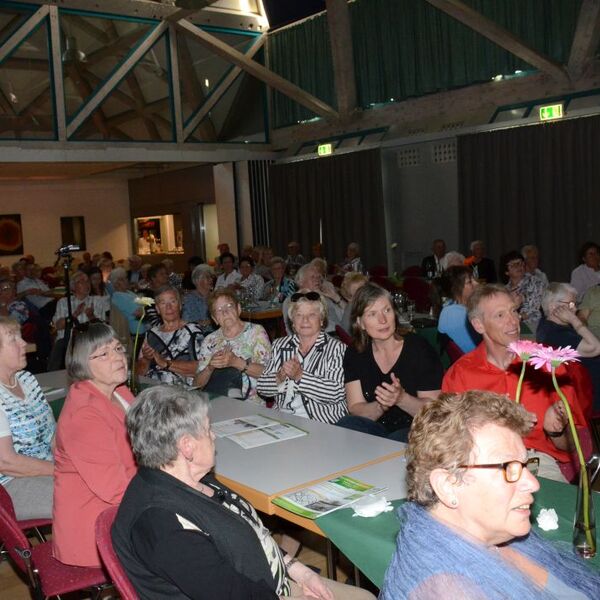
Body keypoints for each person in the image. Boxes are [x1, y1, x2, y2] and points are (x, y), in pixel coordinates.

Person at [112, 386, 375, 600]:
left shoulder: (190, 479)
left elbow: (252, 533)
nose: (214, 436)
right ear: (187, 447)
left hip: (273, 581)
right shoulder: (163, 525)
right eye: (207, 430)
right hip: (264, 594)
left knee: (364, 597)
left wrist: (299, 570)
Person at [380, 390, 600, 600]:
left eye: (525, 465)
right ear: (448, 485)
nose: (533, 483)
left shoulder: (494, 536)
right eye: (508, 467)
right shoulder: (448, 590)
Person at [442, 285, 587, 482]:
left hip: (536, 463)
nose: (513, 321)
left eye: (513, 310)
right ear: (478, 325)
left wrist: (556, 430)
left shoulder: (548, 365)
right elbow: (449, 440)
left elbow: (574, 445)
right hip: (482, 463)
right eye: (500, 315)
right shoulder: (460, 374)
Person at [52, 323, 136, 568]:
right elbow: (115, 490)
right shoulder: (84, 414)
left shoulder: (119, 391)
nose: (118, 357)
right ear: (83, 364)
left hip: (125, 505)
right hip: (97, 528)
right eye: (104, 353)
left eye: (118, 348)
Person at [338, 283, 443, 442]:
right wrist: (381, 406)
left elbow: (434, 412)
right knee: (346, 424)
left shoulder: (419, 349)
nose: (383, 320)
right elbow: (355, 407)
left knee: (396, 438)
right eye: (372, 314)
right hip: (377, 428)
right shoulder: (355, 353)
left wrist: (401, 399)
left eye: (387, 310)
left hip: (416, 428)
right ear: (360, 323)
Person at [257, 291, 347, 424]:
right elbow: (262, 387)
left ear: (321, 320)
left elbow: (336, 392)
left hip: (322, 422)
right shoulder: (280, 345)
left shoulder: (337, 348)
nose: (305, 320)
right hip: (283, 419)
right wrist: (278, 378)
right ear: (293, 322)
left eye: (312, 315)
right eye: (299, 315)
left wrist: (300, 376)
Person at [0, 317, 54, 520]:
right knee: (80, 497)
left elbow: (52, 434)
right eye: (13, 338)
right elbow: (6, 462)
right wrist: (62, 470)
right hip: (10, 484)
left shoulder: (27, 379)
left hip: (46, 469)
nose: (24, 343)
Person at [194, 290, 271, 404]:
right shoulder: (210, 341)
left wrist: (236, 362)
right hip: (217, 403)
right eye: (219, 310)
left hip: (251, 403)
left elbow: (269, 375)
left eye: (229, 306)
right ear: (214, 318)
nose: (225, 312)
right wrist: (210, 368)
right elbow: (196, 385)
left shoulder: (256, 332)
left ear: (238, 309)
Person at [537, 282, 600, 411]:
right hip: (591, 392)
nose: (575, 309)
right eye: (570, 304)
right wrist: (574, 319)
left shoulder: (546, 325)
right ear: (553, 306)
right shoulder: (557, 334)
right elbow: (596, 348)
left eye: (575, 304)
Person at [137, 286, 204, 387]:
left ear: (180, 305)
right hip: (151, 389)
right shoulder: (151, 334)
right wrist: (146, 359)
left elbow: (201, 368)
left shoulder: (192, 331)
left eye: (173, 301)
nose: (169, 307)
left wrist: (165, 363)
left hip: (180, 390)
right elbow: (138, 374)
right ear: (157, 309)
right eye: (163, 303)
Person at [282, 264, 344, 335]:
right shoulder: (293, 300)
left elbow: (345, 319)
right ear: (300, 281)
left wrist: (336, 297)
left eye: (318, 277)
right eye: (312, 277)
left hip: (339, 336)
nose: (317, 280)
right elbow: (292, 331)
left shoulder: (325, 297)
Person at [437, 266, 481, 353]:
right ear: (456, 288)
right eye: (470, 282)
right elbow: (475, 350)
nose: (477, 284)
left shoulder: (454, 306)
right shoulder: (453, 313)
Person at [500, 250, 546, 333]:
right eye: (513, 265)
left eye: (520, 263)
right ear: (506, 272)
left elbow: (532, 310)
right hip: (510, 324)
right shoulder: (504, 290)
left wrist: (514, 315)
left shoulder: (535, 282)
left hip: (531, 325)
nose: (519, 266)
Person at [52, 271, 105, 341]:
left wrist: (91, 316)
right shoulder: (63, 302)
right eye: (82, 282)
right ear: (73, 286)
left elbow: (102, 329)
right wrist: (74, 315)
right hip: (67, 343)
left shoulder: (97, 301)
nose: (86, 284)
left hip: (89, 342)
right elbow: (58, 326)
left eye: (88, 281)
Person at [108, 268, 145, 336]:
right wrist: (146, 306)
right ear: (115, 284)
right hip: (137, 332)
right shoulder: (118, 297)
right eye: (122, 279)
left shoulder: (128, 292)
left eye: (126, 278)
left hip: (144, 328)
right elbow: (140, 313)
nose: (126, 280)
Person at [182, 264, 214, 333]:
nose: (211, 280)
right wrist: (211, 321)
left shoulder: (215, 296)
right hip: (199, 335)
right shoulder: (190, 299)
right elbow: (188, 322)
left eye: (211, 277)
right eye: (207, 278)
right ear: (197, 281)